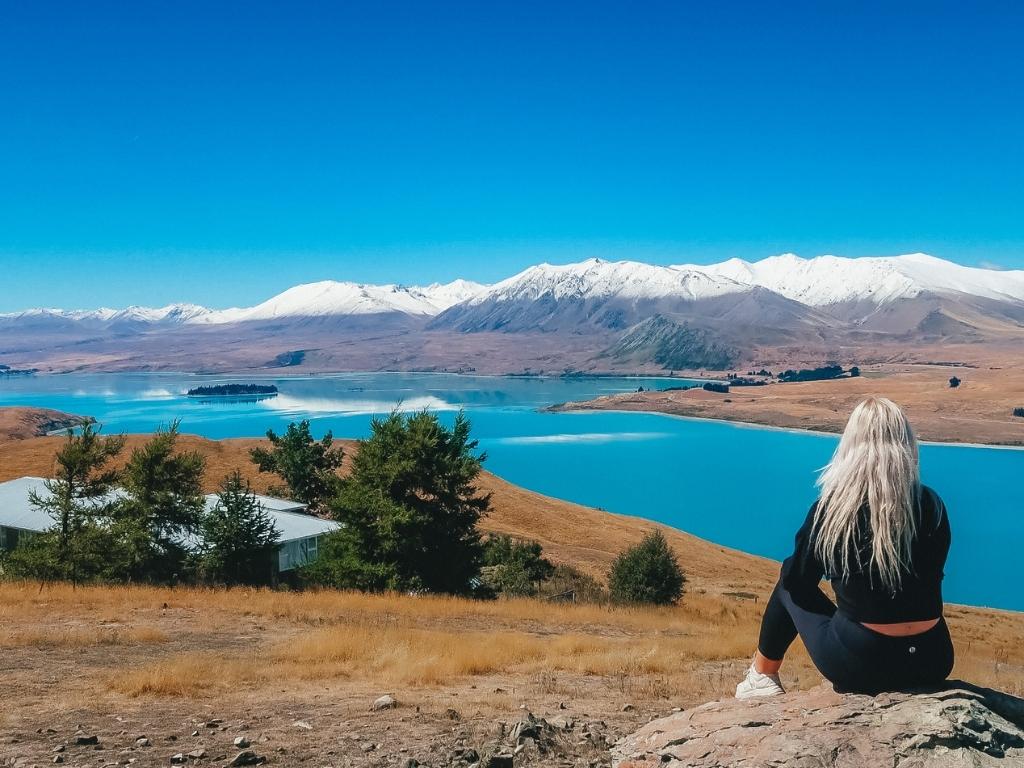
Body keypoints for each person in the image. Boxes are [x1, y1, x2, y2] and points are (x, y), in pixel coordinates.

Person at [736, 396, 953, 698]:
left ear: (852, 444)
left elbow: (798, 581)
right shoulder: (932, 505)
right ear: (907, 443)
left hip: (862, 664)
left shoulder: (835, 508)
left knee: (787, 581)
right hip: (934, 659)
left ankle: (762, 675)